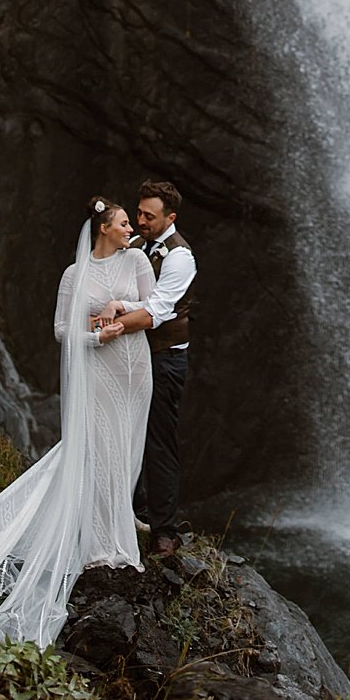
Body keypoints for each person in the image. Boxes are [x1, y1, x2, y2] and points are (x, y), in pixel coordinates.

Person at [0, 198, 155, 646]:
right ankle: (101, 541)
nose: (130, 229)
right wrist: (95, 336)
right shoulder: (73, 275)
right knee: (97, 445)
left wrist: (117, 310)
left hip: (134, 366)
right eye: (123, 223)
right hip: (99, 365)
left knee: (127, 445)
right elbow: (62, 330)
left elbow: (152, 308)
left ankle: (116, 522)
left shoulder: (137, 258)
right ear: (103, 228)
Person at [126, 179, 196, 555]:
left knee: (158, 442)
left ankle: (164, 531)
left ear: (170, 217)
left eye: (148, 216)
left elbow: (155, 311)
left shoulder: (180, 256)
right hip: (131, 355)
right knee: (124, 432)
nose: (140, 221)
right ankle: (132, 512)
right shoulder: (135, 245)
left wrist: (111, 325)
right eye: (138, 213)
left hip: (164, 358)